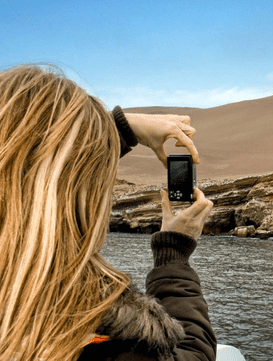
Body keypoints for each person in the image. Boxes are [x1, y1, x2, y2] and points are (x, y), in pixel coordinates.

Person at [0, 65, 216, 361]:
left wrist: (118, 129)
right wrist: (173, 255)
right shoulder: (104, 344)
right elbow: (193, 354)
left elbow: (27, 166)